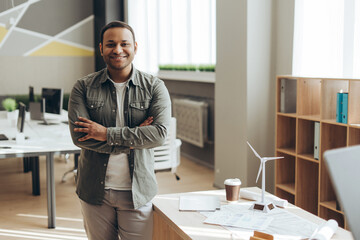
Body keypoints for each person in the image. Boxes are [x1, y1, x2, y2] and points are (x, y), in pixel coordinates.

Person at [68, 20, 171, 240]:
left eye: (124, 43)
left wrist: (105, 133)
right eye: (111, 44)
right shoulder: (83, 87)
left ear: (135, 46)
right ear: (101, 48)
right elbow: (80, 137)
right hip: (94, 191)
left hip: (138, 191)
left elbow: (160, 134)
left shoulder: (154, 86)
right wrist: (136, 136)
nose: (117, 49)